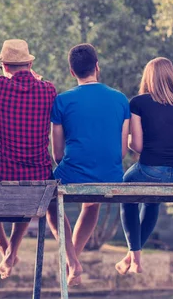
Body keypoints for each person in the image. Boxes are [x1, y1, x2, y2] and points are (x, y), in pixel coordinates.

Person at [51, 43, 130, 285]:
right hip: (112, 173)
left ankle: (72, 260)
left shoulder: (62, 101)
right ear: (97, 66)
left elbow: (57, 153)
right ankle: (73, 261)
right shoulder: (120, 99)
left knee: (49, 200)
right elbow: (123, 150)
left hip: (74, 170)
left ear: (71, 72)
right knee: (91, 204)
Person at [0, 39, 58, 280]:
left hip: (2, 171)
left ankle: (6, 248)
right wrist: (36, 78)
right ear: (30, 63)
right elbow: (40, 82)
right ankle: (11, 250)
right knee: (29, 192)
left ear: (4, 65)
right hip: (39, 174)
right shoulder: (49, 90)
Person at [116, 57, 173, 274]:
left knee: (126, 191)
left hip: (152, 170)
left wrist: (131, 140)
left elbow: (139, 146)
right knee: (152, 202)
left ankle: (136, 260)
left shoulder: (138, 103)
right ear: (172, 77)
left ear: (148, 78)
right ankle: (131, 258)